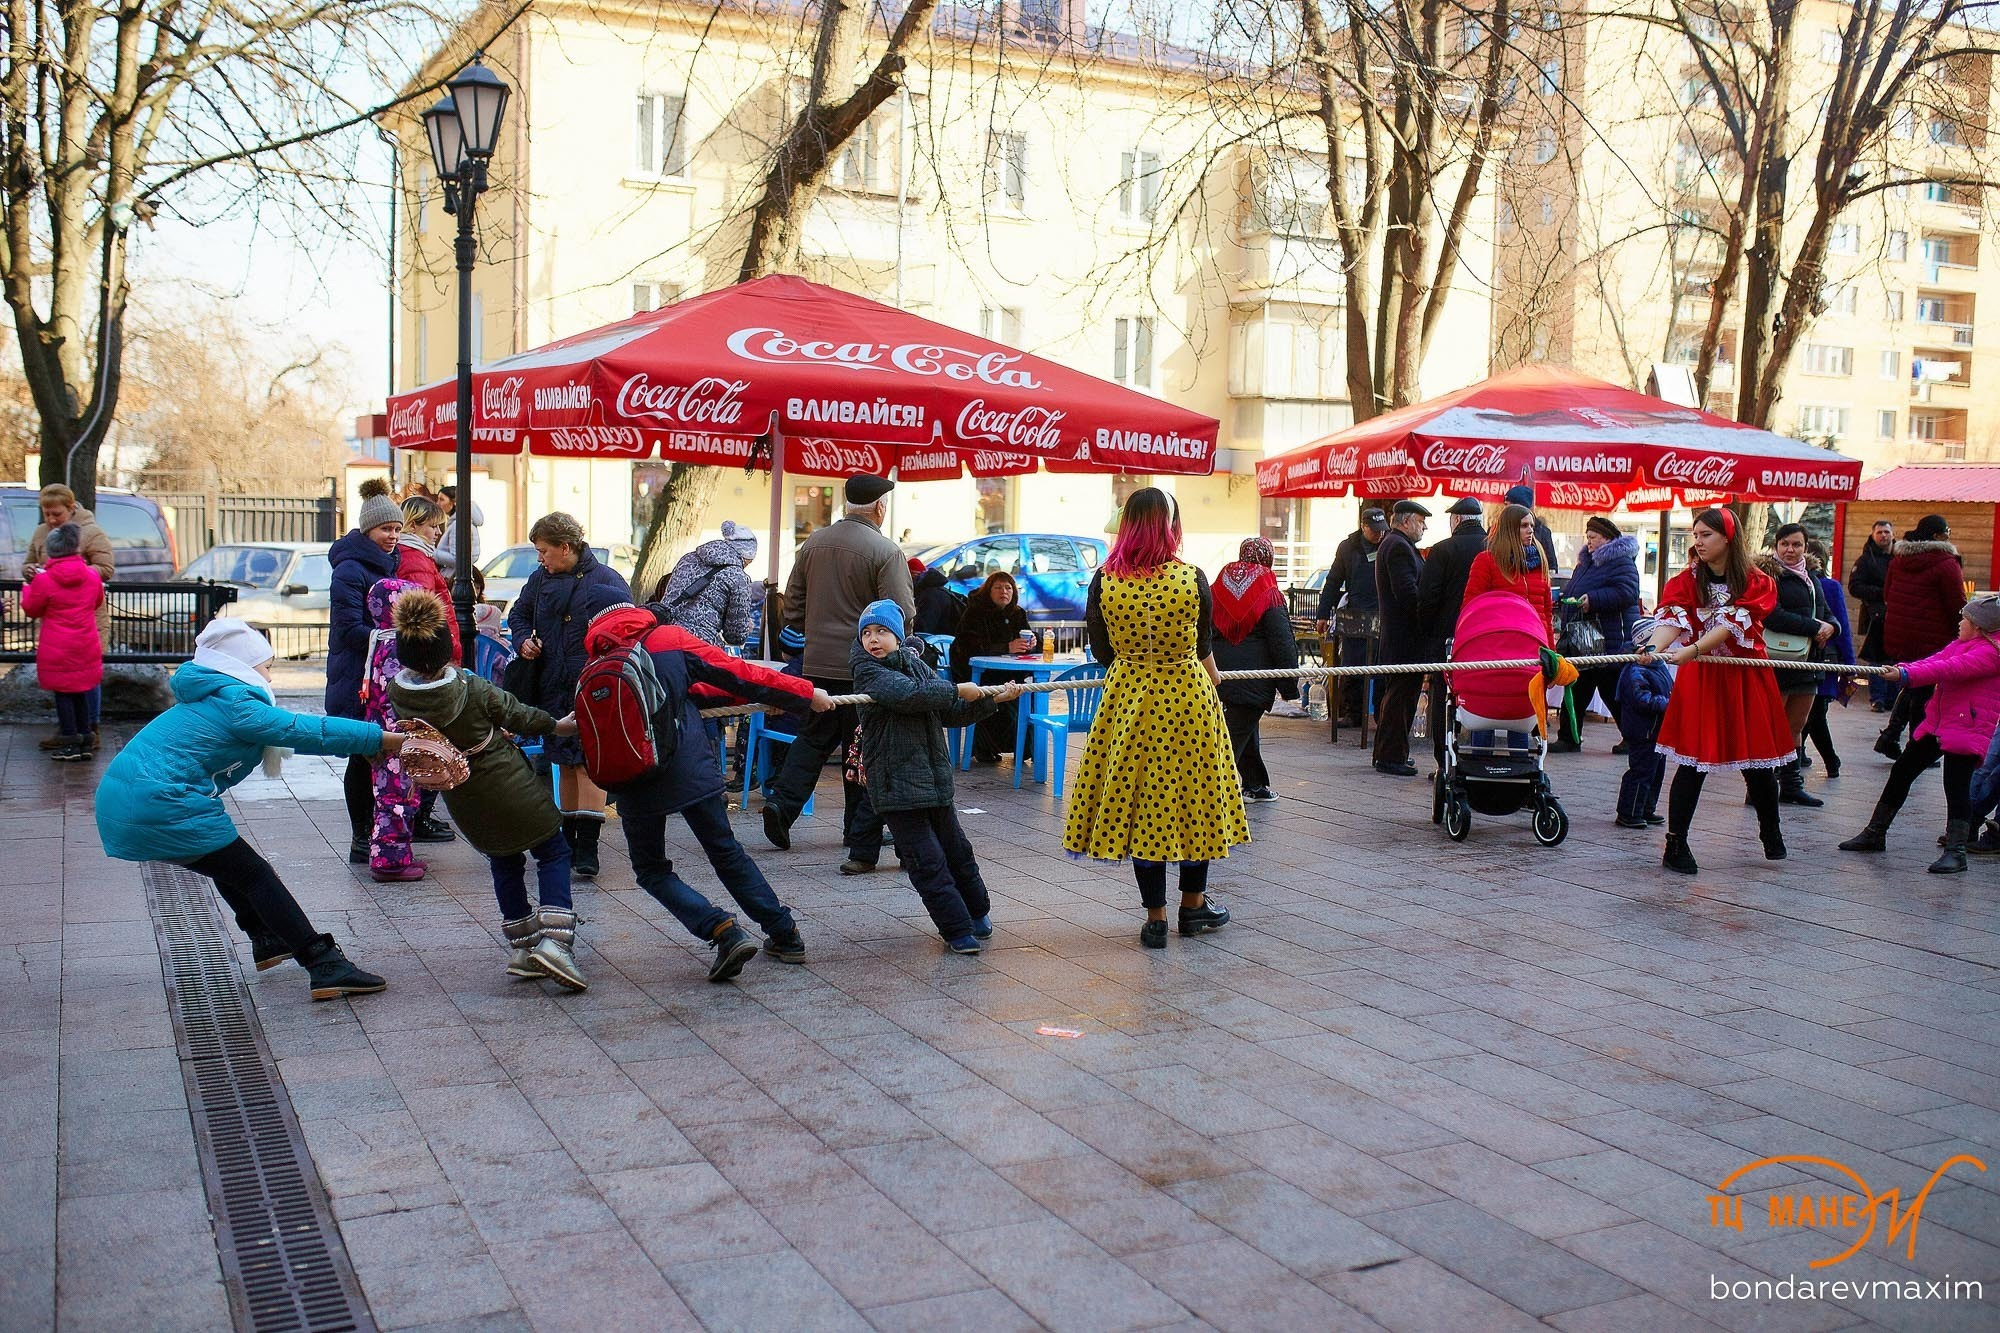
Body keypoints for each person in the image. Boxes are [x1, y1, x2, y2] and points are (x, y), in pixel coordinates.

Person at [96, 620, 402, 1000]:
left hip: (134, 799)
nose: (270, 675)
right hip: (159, 802)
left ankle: (268, 939)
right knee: (255, 875)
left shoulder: (215, 697)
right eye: (267, 666)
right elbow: (305, 730)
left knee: (229, 864)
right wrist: (384, 739)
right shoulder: (236, 703)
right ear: (241, 665)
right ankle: (323, 964)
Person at [583, 604, 833, 981]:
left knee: (651, 871)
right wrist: (802, 693)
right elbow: (735, 676)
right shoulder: (669, 639)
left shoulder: (594, 662)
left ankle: (721, 930)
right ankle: (785, 934)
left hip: (633, 777)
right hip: (688, 770)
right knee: (725, 852)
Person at [1062, 487, 1245, 949]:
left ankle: (1156, 919)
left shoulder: (1104, 581)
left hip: (1129, 700)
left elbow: (1102, 652)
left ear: (1126, 525)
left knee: (1143, 804)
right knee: (1195, 801)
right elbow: (1204, 647)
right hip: (1188, 699)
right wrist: (1213, 677)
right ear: (1170, 525)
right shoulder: (1192, 577)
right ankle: (1194, 906)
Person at [388, 590, 588, 989]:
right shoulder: (469, 686)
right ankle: (556, 944)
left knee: (503, 858)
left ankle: (523, 947)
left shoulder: (400, 694)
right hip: (505, 781)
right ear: (446, 648)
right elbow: (519, 714)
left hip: (462, 794)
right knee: (553, 849)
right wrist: (560, 725)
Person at [762, 474, 914, 875]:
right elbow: (900, 612)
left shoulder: (813, 543)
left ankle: (781, 804)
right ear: (880, 507)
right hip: (864, 665)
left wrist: (812, 630)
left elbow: (792, 605)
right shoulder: (885, 550)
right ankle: (856, 828)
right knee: (861, 744)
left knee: (813, 738)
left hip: (817, 663)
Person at [851, 599, 1023, 953]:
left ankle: (978, 912)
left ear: (899, 637)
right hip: (896, 788)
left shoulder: (918, 667)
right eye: (866, 633)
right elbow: (907, 696)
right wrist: (958, 688)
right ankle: (956, 929)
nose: (873, 640)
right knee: (927, 862)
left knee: (958, 853)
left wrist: (993, 700)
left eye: (882, 631)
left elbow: (952, 712)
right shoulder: (868, 672)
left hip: (934, 782)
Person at [1645, 507, 1795, 874]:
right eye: (1695, 534)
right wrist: (1653, 648)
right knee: (1693, 763)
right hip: (1705, 678)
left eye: (1705, 535)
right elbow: (1671, 619)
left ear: (1728, 538)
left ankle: (1770, 830)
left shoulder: (1757, 582)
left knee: (1757, 764)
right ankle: (1675, 844)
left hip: (1745, 676)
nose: (1697, 541)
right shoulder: (1685, 581)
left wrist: (1693, 649)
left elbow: (1729, 627)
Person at [507, 512, 633, 878]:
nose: (540, 558)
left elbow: (626, 631)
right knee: (563, 759)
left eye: (544, 550)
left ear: (566, 547)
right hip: (552, 681)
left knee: (588, 761)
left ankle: (588, 847)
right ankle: (569, 841)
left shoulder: (606, 581)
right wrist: (523, 641)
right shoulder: (539, 579)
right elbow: (518, 616)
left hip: (593, 686)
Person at [1840, 596, 2000, 874]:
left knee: (1956, 787)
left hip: (1967, 727)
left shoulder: (1990, 652)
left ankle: (1956, 852)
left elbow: (1947, 669)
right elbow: (1934, 660)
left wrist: (1904, 676)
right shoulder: (1962, 644)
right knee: (1902, 770)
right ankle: (1875, 832)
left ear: (1979, 626)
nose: (1959, 622)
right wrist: (1903, 669)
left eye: (1965, 618)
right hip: (1940, 723)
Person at [328, 479, 405, 865]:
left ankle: (378, 831)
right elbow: (347, 628)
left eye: (396, 529)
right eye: (385, 529)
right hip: (357, 678)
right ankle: (361, 836)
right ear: (367, 529)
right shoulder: (350, 569)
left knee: (379, 754)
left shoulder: (390, 563)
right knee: (361, 755)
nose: (392, 536)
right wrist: (392, 637)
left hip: (383, 676)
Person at [24, 483, 114, 751]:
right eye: (47, 514)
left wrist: (72, 576)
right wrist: (32, 571)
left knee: (87, 675)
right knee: (67, 676)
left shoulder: (92, 533)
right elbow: (30, 560)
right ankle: (71, 729)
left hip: (87, 618)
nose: (51, 520)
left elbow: (106, 568)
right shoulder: (42, 532)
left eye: (57, 514)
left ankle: (90, 726)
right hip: (57, 617)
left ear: (71, 509)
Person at [1757, 523, 1840, 809]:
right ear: (1776, 546)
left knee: (1796, 726)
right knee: (1770, 725)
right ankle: (1760, 787)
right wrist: (1813, 626)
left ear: (1806, 547)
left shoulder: (1812, 577)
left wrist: (1833, 628)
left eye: (1796, 545)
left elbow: (1827, 612)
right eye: (1785, 544)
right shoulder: (1767, 576)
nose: (1790, 550)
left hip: (1808, 662)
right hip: (1778, 661)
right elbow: (1771, 615)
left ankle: (1791, 785)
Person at [1211, 537, 1299, 803]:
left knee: (1243, 727)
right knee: (1231, 739)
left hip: (1218, 672)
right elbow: (1281, 640)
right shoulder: (1268, 589)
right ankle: (1212, 796)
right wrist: (1289, 685)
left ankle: (1255, 784)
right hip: (1254, 678)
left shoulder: (1219, 583)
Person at [1875, 515, 1965, 760]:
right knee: (1923, 691)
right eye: (1947, 530)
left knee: (1913, 685)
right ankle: (1915, 747)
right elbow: (1957, 605)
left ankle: (1891, 736)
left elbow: (1887, 594)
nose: (1950, 534)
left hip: (1900, 635)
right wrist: (1965, 631)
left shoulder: (1899, 560)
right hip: (1933, 639)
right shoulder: (1947, 563)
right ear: (1937, 535)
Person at [360, 579, 430, 882]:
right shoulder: (396, 646)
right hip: (396, 739)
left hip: (383, 736)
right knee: (398, 798)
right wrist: (406, 733)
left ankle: (399, 853)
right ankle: (389, 862)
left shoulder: (381, 640)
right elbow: (395, 696)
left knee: (397, 796)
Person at [1557, 516, 1642, 748]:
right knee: (1578, 688)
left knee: (1612, 692)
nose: (1589, 541)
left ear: (1607, 538)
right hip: (1587, 637)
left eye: (1593, 537)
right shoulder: (1588, 563)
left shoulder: (1622, 562)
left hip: (1609, 639)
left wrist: (1592, 600)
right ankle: (1569, 737)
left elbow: (1627, 592)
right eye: (1588, 537)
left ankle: (1633, 738)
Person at [1416, 497, 1486, 766]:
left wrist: (1427, 630)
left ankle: (1444, 762)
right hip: (1483, 635)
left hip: (1445, 637)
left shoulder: (1443, 550)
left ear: (1456, 520)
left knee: (1442, 697)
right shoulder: (1493, 548)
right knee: (1481, 694)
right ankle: (1477, 758)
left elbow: (1428, 596)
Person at [948, 571, 1037, 763]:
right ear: (988, 591)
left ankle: (1023, 749)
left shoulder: (1018, 613)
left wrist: (1031, 643)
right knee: (999, 699)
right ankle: (986, 748)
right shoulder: (975, 612)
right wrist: (1006, 647)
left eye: (1008, 587)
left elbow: (1026, 638)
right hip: (978, 675)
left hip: (1011, 673)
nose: (1003, 592)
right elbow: (968, 646)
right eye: (998, 587)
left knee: (1028, 696)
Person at [1372, 500, 1430, 776]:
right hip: (1404, 639)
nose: (1424, 527)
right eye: (1420, 521)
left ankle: (1389, 753)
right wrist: (1428, 610)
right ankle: (1391, 756)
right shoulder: (1398, 547)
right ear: (1405, 521)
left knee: (1398, 698)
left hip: (1400, 639)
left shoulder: (1395, 544)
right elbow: (1407, 593)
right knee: (1400, 700)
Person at [1314, 508, 1385, 727]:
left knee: (1382, 668)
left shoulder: (1389, 543)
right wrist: (1322, 614)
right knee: (1353, 666)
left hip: (1384, 614)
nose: (1378, 535)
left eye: (1381, 530)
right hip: (1356, 613)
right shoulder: (1348, 548)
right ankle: (1353, 713)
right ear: (1363, 526)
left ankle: (1380, 715)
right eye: (1374, 531)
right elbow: (1333, 581)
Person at [652, 519, 761, 649]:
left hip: (662, 636)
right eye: (748, 563)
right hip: (698, 648)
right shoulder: (738, 577)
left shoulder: (688, 559)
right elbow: (735, 636)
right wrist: (744, 626)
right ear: (746, 557)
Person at [1803, 542, 1857, 780]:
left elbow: (1840, 626)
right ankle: (1802, 757)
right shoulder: (1830, 586)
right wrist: (1849, 663)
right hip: (1821, 659)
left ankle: (1830, 760)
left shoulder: (1828, 587)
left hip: (1819, 658)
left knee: (1812, 714)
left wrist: (1849, 664)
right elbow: (1843, 628)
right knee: (1809, 714)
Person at [1614, 617, 1673, 829]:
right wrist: (1668, 704)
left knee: (1657, 772)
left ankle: (1647, 808)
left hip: (1658, 729)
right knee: (1641, 771)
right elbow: (1641, 699)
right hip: (1644, 730)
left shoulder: (1659, 666)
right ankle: (1629, 811)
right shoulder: (1635, 671)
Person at [1465, 503, 1554, 639]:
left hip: (1537, 644)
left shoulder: (1540, 562)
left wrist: (1551, 652)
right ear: (1509, 529)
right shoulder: (1487, 561)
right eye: (1524, 525)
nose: (1530, 530)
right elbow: (1471, 609)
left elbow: (1547, 615)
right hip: (1500, 645)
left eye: (1532, 526)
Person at [395, 494, 463, 666]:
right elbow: (426, 615)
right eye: (433, 526)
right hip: (432, 651)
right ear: (412, 525)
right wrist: (450, 648)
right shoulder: (415, 560)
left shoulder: (415, 555)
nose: (438, 532)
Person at [1849, 518, 1897, 712]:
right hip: (1876, 616)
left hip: (1898, 616)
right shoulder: (1866, 559)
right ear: (1873, 535)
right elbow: (1855, 587)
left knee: (1896, 658)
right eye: (1880, 532)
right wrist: (1881, 594)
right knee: (1877, 659)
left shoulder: (1900, 557)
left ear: (1893, 534)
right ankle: (1877, 698)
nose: (1883, 536)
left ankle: (1893, 698)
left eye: (1886, 532)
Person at [1505, 484, 1559, 577]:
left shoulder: (1543, 533)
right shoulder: (1498, 531)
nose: (1505, 509)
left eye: (1508, 505)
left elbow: (1551, 566)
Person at [435, 483, 484, 579]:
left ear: (453, 502)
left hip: (453, 576)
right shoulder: (459, 522)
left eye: (442, 499)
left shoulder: (458, 524)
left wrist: (432, 553)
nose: (438, 503)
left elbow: (457, 558)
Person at [912, 561, 965, 635]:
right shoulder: (932, 591)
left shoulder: (931, 596)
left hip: (939, 643)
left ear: (914, 575)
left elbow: (922, 630)